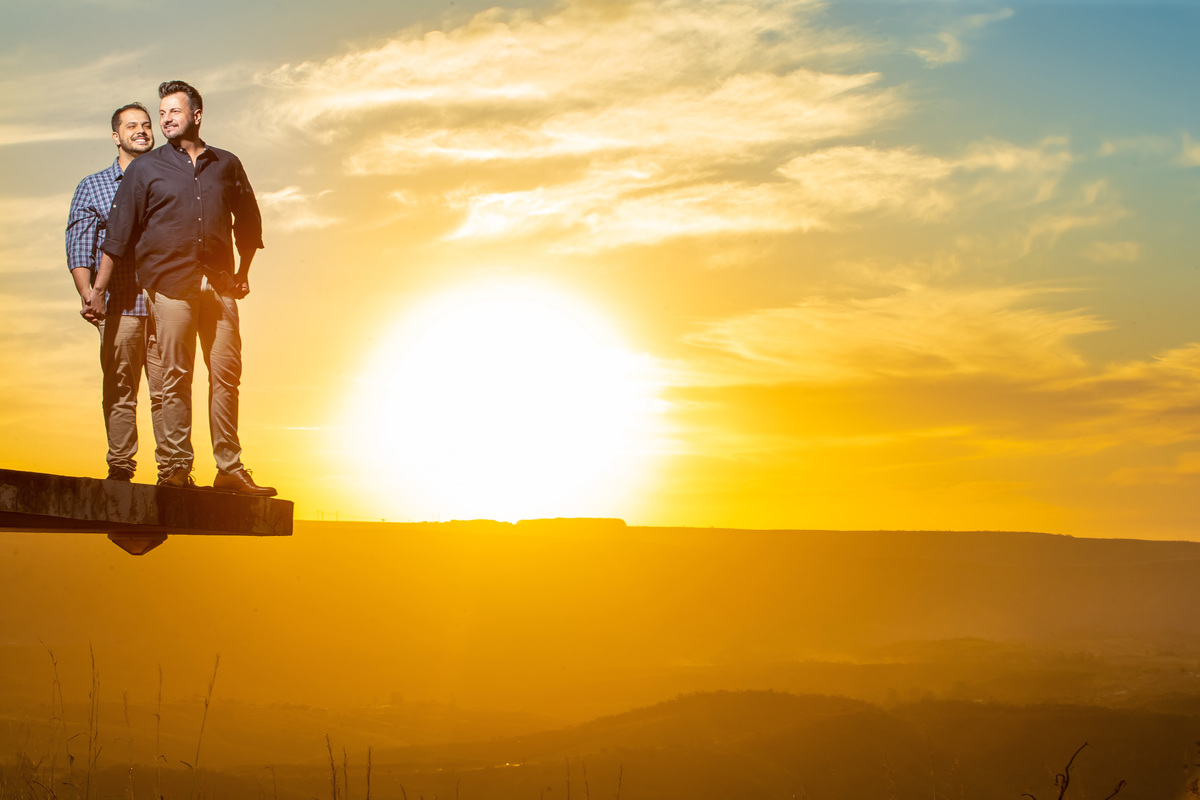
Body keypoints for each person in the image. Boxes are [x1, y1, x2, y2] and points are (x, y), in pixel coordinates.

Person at [91, 80, 275, 496]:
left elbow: (248, 221)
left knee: (227, 376)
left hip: (218, 287)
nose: (166, 119)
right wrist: (99, 289)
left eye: (174, 111)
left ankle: (229, 469)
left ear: (196, 115)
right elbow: (118, 235)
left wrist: (244, 270)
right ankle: (177, 470)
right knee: (175, 376)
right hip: (170, 286)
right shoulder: (145, 169)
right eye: (162, 113)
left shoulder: (226, 164)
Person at [66, 103, 166, 482]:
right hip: (120, 304)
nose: (141, 130)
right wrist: (89, 293)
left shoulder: (167, 180)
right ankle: (121, 466)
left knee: (167, 392)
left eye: (146, 124)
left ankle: (173, 469)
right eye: (131, 126)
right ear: (116, 136)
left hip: (165, 304)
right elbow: (79, 244)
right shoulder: (93, 186)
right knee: (120, 389)